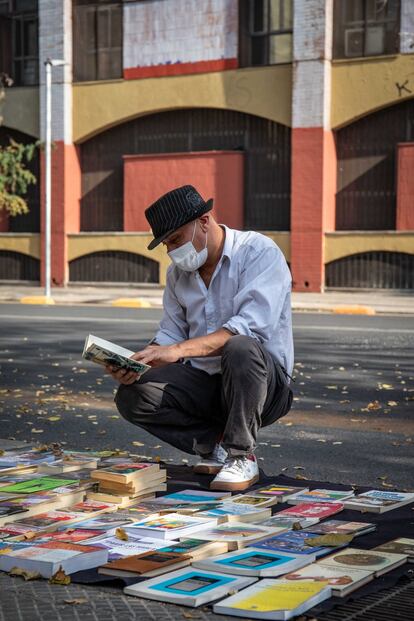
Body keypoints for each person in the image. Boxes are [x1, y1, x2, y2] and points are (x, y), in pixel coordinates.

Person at [106, 185, 294, 491]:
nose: (172, 251)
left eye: (176, 239)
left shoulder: (259, 253)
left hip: (262, 386)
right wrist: (138, 363)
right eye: (166, 244)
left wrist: (177, 350)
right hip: (207, 388)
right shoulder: (178, 275)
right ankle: (215, 446)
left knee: (240, 347)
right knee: (133, 396)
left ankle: (241, 455)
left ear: (204, 221)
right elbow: (169, 334)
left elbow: (250, 328)